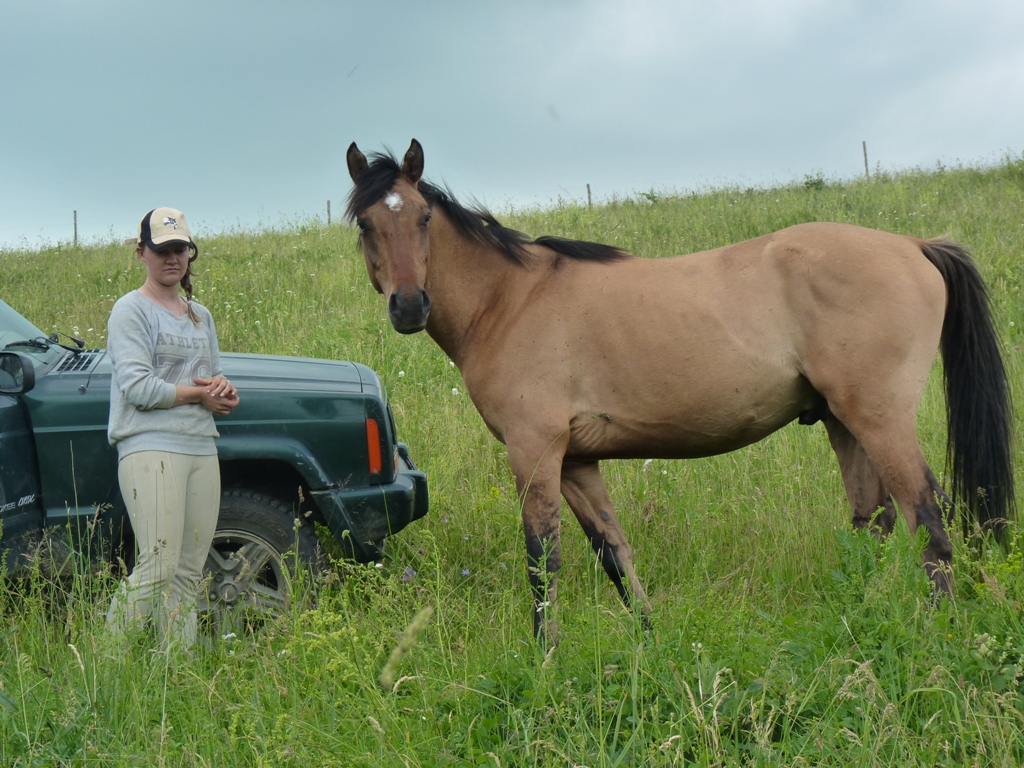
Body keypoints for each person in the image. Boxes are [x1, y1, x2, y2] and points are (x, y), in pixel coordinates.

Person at [105, 207, 239, 650]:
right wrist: (199, 394)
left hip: (201, 444)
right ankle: (107, 668)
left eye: (180, 249)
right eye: (162, 250)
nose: (172, 258)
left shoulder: (200, 314)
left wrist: (221, 393)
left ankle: (175, 672)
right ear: (141, 252)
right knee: (157, 564)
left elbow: (211, 382)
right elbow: (139, 389)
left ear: (189, 253)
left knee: (187, 570)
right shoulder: (130, 310)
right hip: (150, 446)